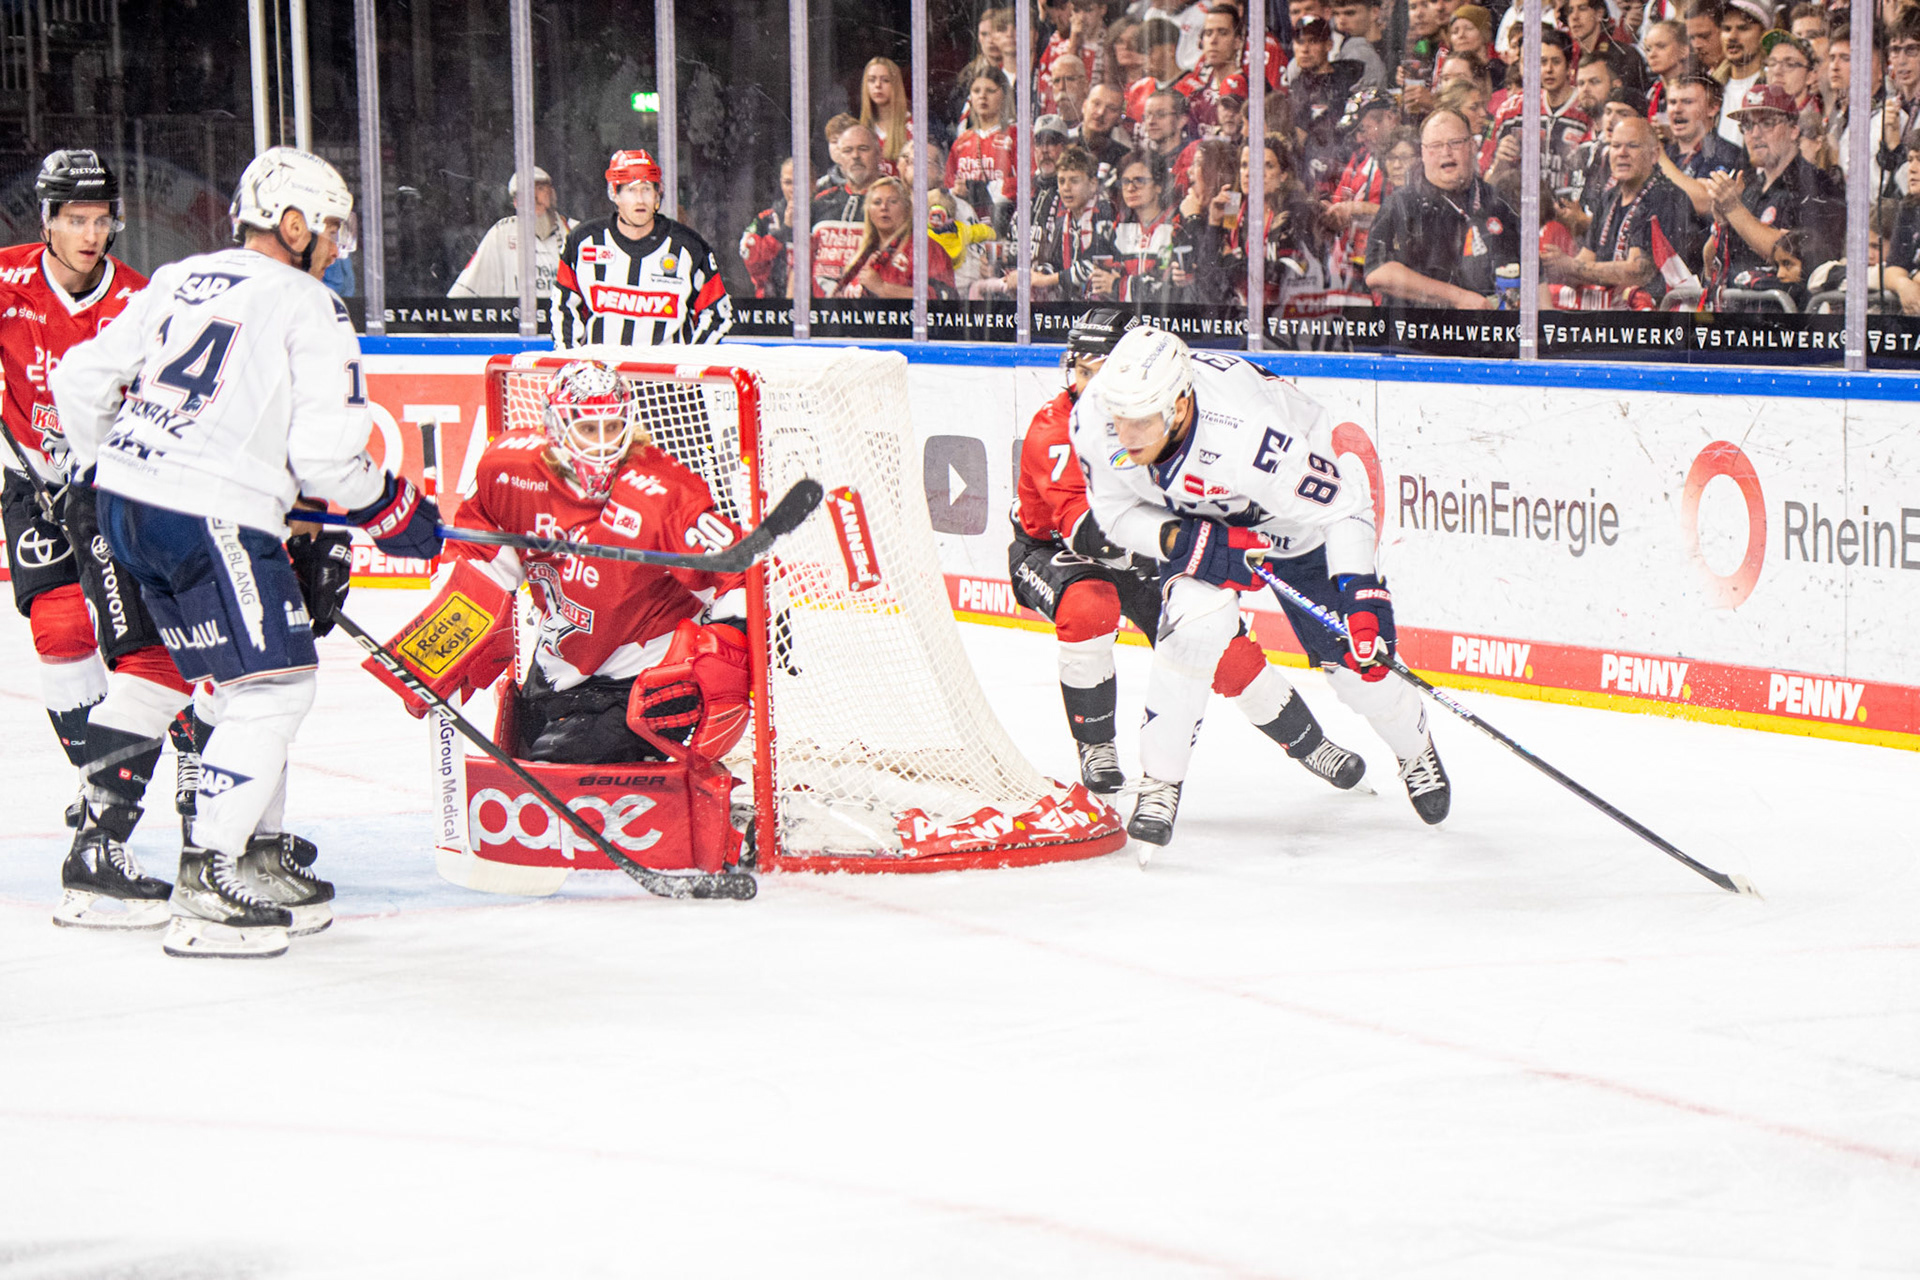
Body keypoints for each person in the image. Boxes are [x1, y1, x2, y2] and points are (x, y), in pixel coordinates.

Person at [51, 146, 444, 959]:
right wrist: (395, 510)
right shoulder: (310, 304)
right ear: (292, 223)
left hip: (124, 504)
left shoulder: (177, 277)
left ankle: (221, 857)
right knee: (274, 686)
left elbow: (81, 378)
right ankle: (212, 873)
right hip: (207, 513)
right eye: (329, 228)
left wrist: (104, 467)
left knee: (204, 677)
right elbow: (329, 457)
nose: (335, 246)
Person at [1069, 325, 1450, 848]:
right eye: (1120, 419)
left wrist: (1362, 594)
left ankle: (1415, 747)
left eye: (1143, 422)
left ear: (1180, 406)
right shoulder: (1096, 416)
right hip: (1200, 520)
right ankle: (1160, 781)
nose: (1127, 435)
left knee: (1360, 673)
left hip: (1295, 528)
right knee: (1193, 633)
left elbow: (1344, 506)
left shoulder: (1253, 436)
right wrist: (1181, 538)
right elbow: (1114, 514)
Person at [1014, 310, 1366, 800]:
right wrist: (1192, 541)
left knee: (1223, 652)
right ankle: (1096, 745)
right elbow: (1085, 532)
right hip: (1056, 552)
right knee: (1090, 605)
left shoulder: (1161, 422)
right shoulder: (1057, 428)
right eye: (1082, 370)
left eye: (1104, 370)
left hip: (1146, 555)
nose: (1092, 386)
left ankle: (1312, 744)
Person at [0, 149, 206, 931]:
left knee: (139, 644)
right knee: (59, 629)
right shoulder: (7, 280)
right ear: (47, 221)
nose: (91, 234)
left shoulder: (136, 298)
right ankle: (101, 798)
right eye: (74, 220)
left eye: (100, 219)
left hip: (110, 488)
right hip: (28, 481)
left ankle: (139, 784)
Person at [372, 359, 750, 775]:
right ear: (554, 427)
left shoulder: (664, 494)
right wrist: (443, 649)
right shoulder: (508, 472)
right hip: (558, 669)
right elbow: (481, 565)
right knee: (520, 766)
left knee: (552, 775)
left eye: (613, 427)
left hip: (642, 683)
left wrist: (726, 652)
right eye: (588, 429)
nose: (603, 443)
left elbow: (740, 572)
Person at [554, 149, 733, 347]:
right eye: (631, 190)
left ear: (658, 193)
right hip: (603, 375)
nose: (640, 199)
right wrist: (573, 362)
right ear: (615, 193)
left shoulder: (689, 247)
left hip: (665, 377)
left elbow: (717, 314)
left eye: (647, 189)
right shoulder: (583, 241)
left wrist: (688, 367)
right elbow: (564, 307)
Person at [1366, 107, 1522, 308]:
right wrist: (1457, 297)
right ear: (1422, 153)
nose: (1446, 152)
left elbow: (1536, 276)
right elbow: (1377, 272)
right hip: (1420, 334)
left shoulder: (1498, 203)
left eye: (1455, 143)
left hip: (1485, 333)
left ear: (1473, 146)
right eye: (1435, 145)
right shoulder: (1400, 203)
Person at [1706, 82, 1845, 300]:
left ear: (1793, 130)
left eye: (1767, 123)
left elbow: (1794, 255)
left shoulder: (1816, 184)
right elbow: (1711, 266)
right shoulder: (1749, 187)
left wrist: (1733, 209)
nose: (1755, 134)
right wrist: (1721, 224)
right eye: (1748, 126)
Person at [1542, 114, 1698, 306]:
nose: (1622, 153)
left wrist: (1570, 266)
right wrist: (1551, 264)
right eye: (1615, 146)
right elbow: (1585, 261)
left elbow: (1637, 271)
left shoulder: (1666, 196)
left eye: (1632, 146)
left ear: (1654, 155)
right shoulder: (1609, 197)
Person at [447, 166, 573, 299]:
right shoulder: (502, 233)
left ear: (552, 194)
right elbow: (464, 293)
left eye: (540, 189)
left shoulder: (575, 232)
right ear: (515, 203)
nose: (534, 197)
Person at [833, 176, 955, 298]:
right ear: (868, 210)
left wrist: (883, 288)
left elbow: (943, 297)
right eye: (877, 202)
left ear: (907, 208)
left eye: (892, 201)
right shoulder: (862, 254)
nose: (884, 207)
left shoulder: (925, 248)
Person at [1032, 145, 1119, 298]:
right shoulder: (1062, 220)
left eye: (1074, 181)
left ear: (1092, 185)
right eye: (1061, 181)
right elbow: (1054, 263)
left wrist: (1045, 280)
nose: (1066, 188)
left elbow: (1093, 264)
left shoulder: (1105, 212)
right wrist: (1041, 273)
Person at [738, 157, 795, 299]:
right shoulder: (766, 219)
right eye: (788, 183)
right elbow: (749, 256)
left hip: (819, 305)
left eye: (800, 182)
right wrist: (783, 232)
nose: (794, 189)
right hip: (772, 304)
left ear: (813, 182)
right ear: (781, 184)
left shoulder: (824, 213)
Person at [1715, 0, 1772, 144]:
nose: (1732, 36)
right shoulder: (1710, 88)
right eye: (1726, 29)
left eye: (1743, 28)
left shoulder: (1774, 87)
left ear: (1763, 34)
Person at [859, 57, 914, 175]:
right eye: (872, 80)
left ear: (895, 85)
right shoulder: (860, 130)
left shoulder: (912, 127)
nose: (878, 85)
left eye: (885, 80)